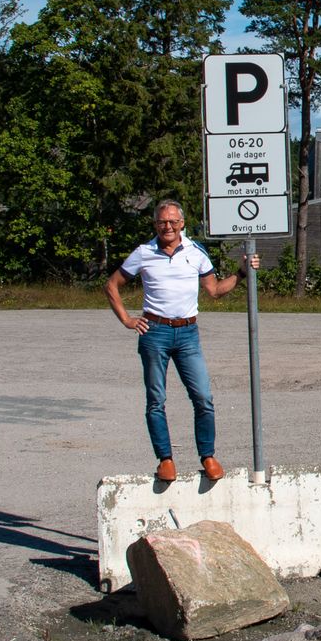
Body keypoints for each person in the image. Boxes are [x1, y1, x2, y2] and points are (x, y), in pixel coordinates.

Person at [104, 200, 258, 481]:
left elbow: (214, 290)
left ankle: (208, 456)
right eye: (163, 222)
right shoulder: (144, 253)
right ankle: (165, 460)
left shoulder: (195, 252)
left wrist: (242, 272)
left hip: (188, 333)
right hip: (154, 332)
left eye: (173, 221)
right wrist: (127, 319)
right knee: (156, 400)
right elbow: (112, 284)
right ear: (155, 224)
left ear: (182, 224)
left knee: (203, 397)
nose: (168, 227)